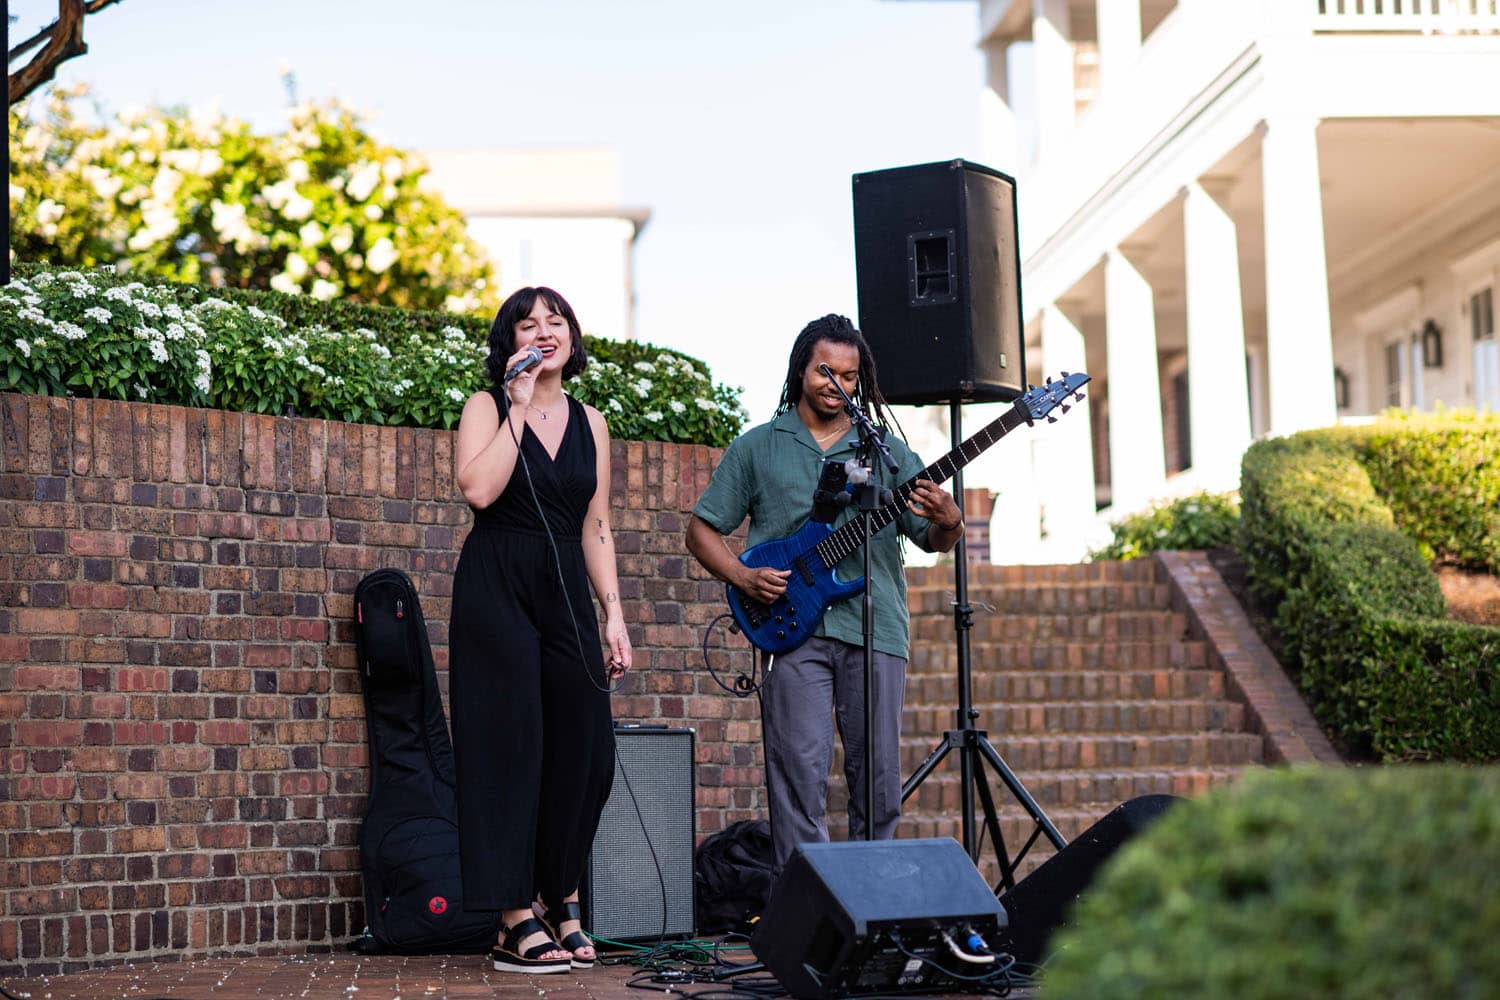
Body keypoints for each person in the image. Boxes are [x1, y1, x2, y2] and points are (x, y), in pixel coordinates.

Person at [685, 314, 962, 874]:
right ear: (801, 370)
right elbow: (700, 530)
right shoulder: (760, 446)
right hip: (791, 629)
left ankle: (875, 911)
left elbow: (932, 539)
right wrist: (742, 577)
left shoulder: (887, 454)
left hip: (875, 624)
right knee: (799, 775)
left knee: (879, 779)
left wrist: (951, 520)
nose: (838, 386)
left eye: (851, 377)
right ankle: (806, 923)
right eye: (825, 372)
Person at [449, 286, 631, 974]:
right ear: (511, 340)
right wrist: (519, 405)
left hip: (564, 592)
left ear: (572, 338)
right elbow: (479, 491)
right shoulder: (486, 408)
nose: (545, 330)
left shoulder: (594, 422)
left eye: (557, 320)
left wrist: (612, 612)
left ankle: (562, 892)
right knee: (509, 746)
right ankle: (513, 913)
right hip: (497, 582)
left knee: (588, 752)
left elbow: (596, 524)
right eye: (530, 323)